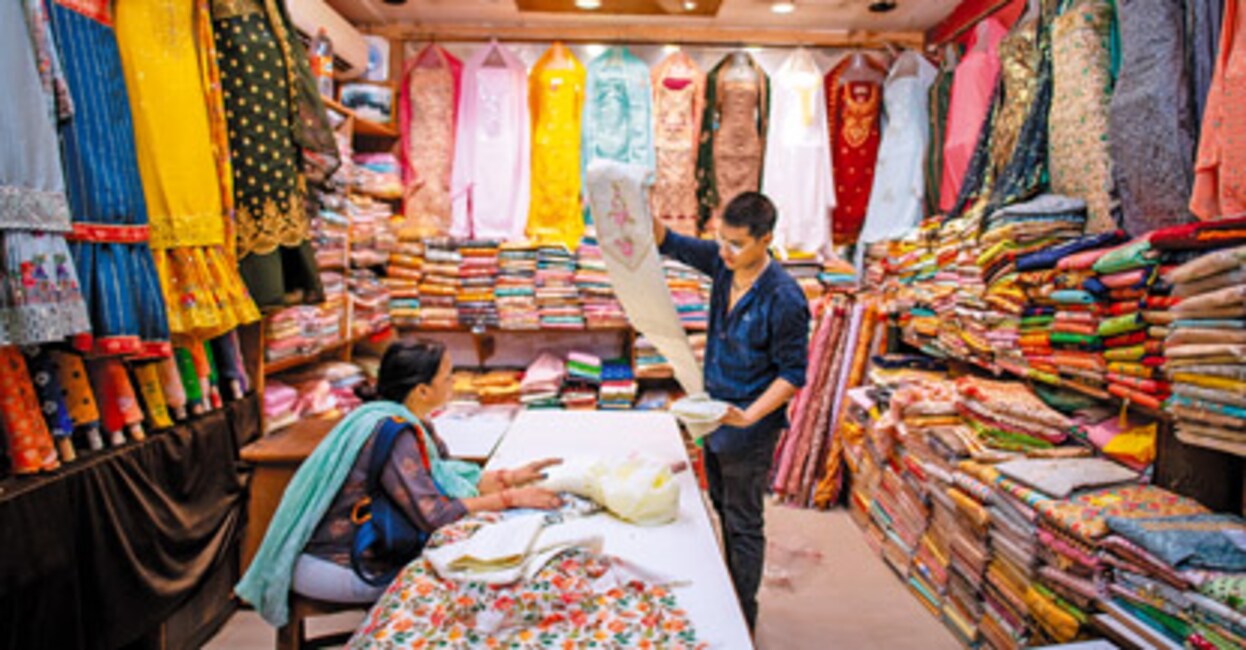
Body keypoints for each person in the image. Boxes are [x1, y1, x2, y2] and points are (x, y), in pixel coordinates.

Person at [238, 339, 562, 625]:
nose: (453, 383)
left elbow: (444, 476)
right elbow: (434, 512)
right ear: (422, 390)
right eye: (447, 377)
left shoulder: (397, 419)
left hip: (345, 551)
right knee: (453, 579)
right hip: (334, 562)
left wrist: (510, 478)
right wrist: (511, 499)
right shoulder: (395, 433)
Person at [654, 191, 810, 630]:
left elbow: (793, 373)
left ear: (765, 240)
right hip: (716, 418)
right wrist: (629, 209)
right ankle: (726, 596)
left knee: (743, 521)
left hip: (749, 428)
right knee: (721, 504)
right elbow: (672, 242)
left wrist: (750, 415)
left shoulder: (784, 298)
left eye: (737, 243)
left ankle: (741, 616)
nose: (724, 250)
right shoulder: (726, 265)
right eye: (721, 240)